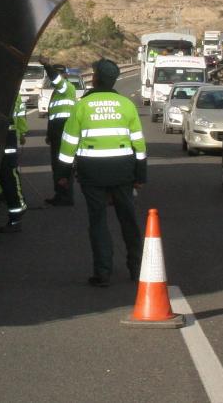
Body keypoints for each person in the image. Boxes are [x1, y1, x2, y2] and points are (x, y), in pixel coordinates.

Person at [56, 59, 146, 287]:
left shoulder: (82, 105)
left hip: (92, 173)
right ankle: (137, 268)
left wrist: (63, 174)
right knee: (129, 220)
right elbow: (139, 145)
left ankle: (102, 272)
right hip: (123, 171)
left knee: (98, 222)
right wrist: (140, 176)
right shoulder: (126, 105)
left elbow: (68, 144)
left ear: (95, 78)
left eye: (94, 73)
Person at [43, 63, 78, 207]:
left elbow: (56, 79)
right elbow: (53, 116)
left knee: (64, 165)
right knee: (56, 165)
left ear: (64, 75)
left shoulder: (66, 87)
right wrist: (49, 134)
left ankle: (66, 197)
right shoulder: (57, 92)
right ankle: (59, 194)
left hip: (64, 132)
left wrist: (46, 65)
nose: (53, 79)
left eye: (57, 75)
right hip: (56, 132)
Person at [0, 92, 29, 232]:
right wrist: (22, 132)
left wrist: (21, 132)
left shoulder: (10, 94)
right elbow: (21, 116)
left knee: (8, 176)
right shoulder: (14, 94)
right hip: (4, 137)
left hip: (5, 138)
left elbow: (19, 116)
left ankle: (16, 217)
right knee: (0, 177)